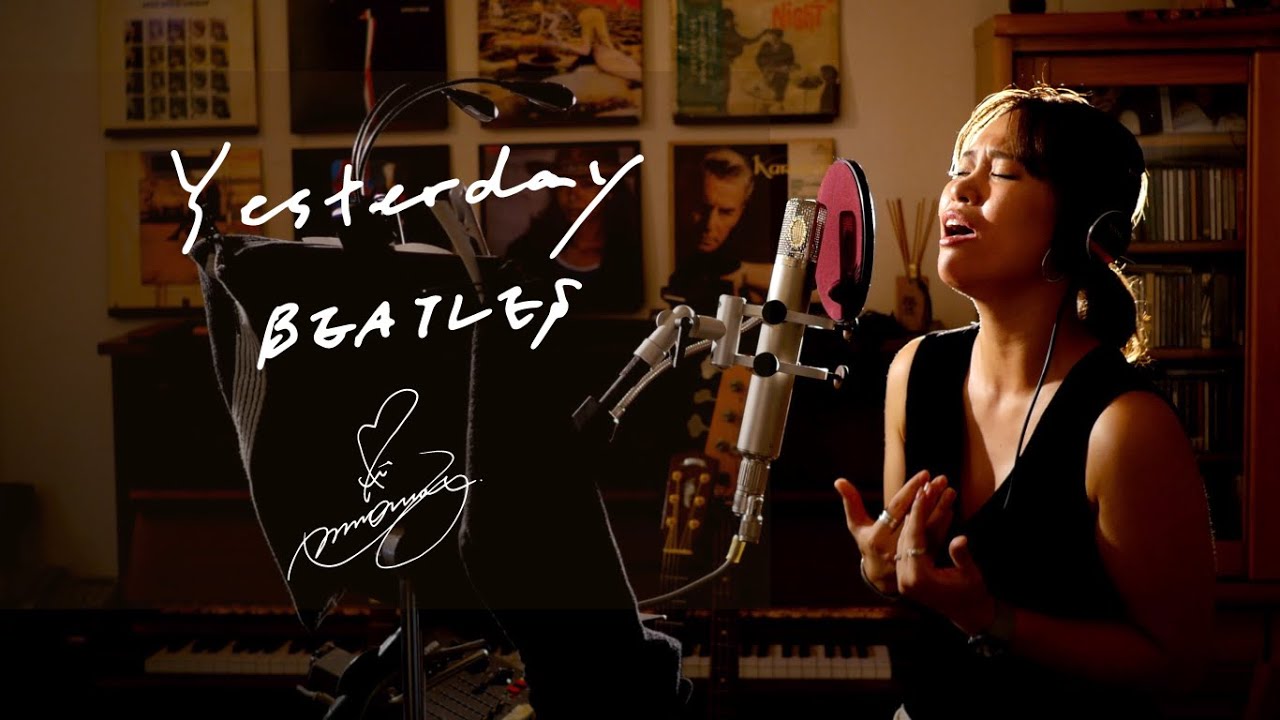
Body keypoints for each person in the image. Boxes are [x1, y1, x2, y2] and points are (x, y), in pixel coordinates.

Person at [834, 85, 1216, 719]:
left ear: (1083, 231)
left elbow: (1176, 665)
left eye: (1003, 173)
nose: (960, 190)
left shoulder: (1124, 427)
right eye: (960, 168)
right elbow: (910, 579)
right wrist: (882, 569)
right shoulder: (914, 371)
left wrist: (990, 618)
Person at [504, 146, 644, 314]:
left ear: (611, 190)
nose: (572, 196)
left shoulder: (633, 253)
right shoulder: (526, 251)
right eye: (563, 184)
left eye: (587, 184)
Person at [665, 147, 772, 310]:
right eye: (702, 208)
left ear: (741, 210)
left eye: (726, 212)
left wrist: (745, 273)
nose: (709, 225)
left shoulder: (759, 245)